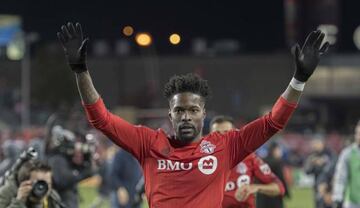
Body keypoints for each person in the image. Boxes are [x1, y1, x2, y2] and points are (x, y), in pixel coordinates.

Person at [57, 22, 329, 207]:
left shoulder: (226, 146)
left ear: (203, 113)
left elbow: (273, 122)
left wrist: (299, 79)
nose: (186, 116)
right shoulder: (148, 143)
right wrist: (81, 71)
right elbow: (101, 119)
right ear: (170, 114)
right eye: (179, 110)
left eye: (192, 110)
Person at [210, 115, 285, 208]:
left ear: (234, 134)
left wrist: (255, 188)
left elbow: (279, 187)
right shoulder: (203, 162)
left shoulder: (249, 158)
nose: (222, 137)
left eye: (226, 132)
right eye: (217, 133)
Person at [332, 120, 360, 208]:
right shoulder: (347, 153)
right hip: (352, 202)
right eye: (358, 133)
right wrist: (337, 198)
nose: (358, 136)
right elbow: (340, 177)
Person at [256, 142, 291, 208]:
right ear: (275, 150)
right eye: (279, 150)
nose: (280, 152)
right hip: (274, 195)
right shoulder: (277, 162)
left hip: (261, 196)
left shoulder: (261, 161)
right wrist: (286, 193)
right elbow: (281, 179)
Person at [304, 137, 336, 208]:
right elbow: (307, 171)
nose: (316, 146)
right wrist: (312, 163)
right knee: (318, 204)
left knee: (329, 205)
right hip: (317, 187)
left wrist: (324, 161)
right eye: (315, 144)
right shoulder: (312, 156)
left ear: (322, 143)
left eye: (317, 143)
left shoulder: (330, 153)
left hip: (328, 187)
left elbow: (334, 167)